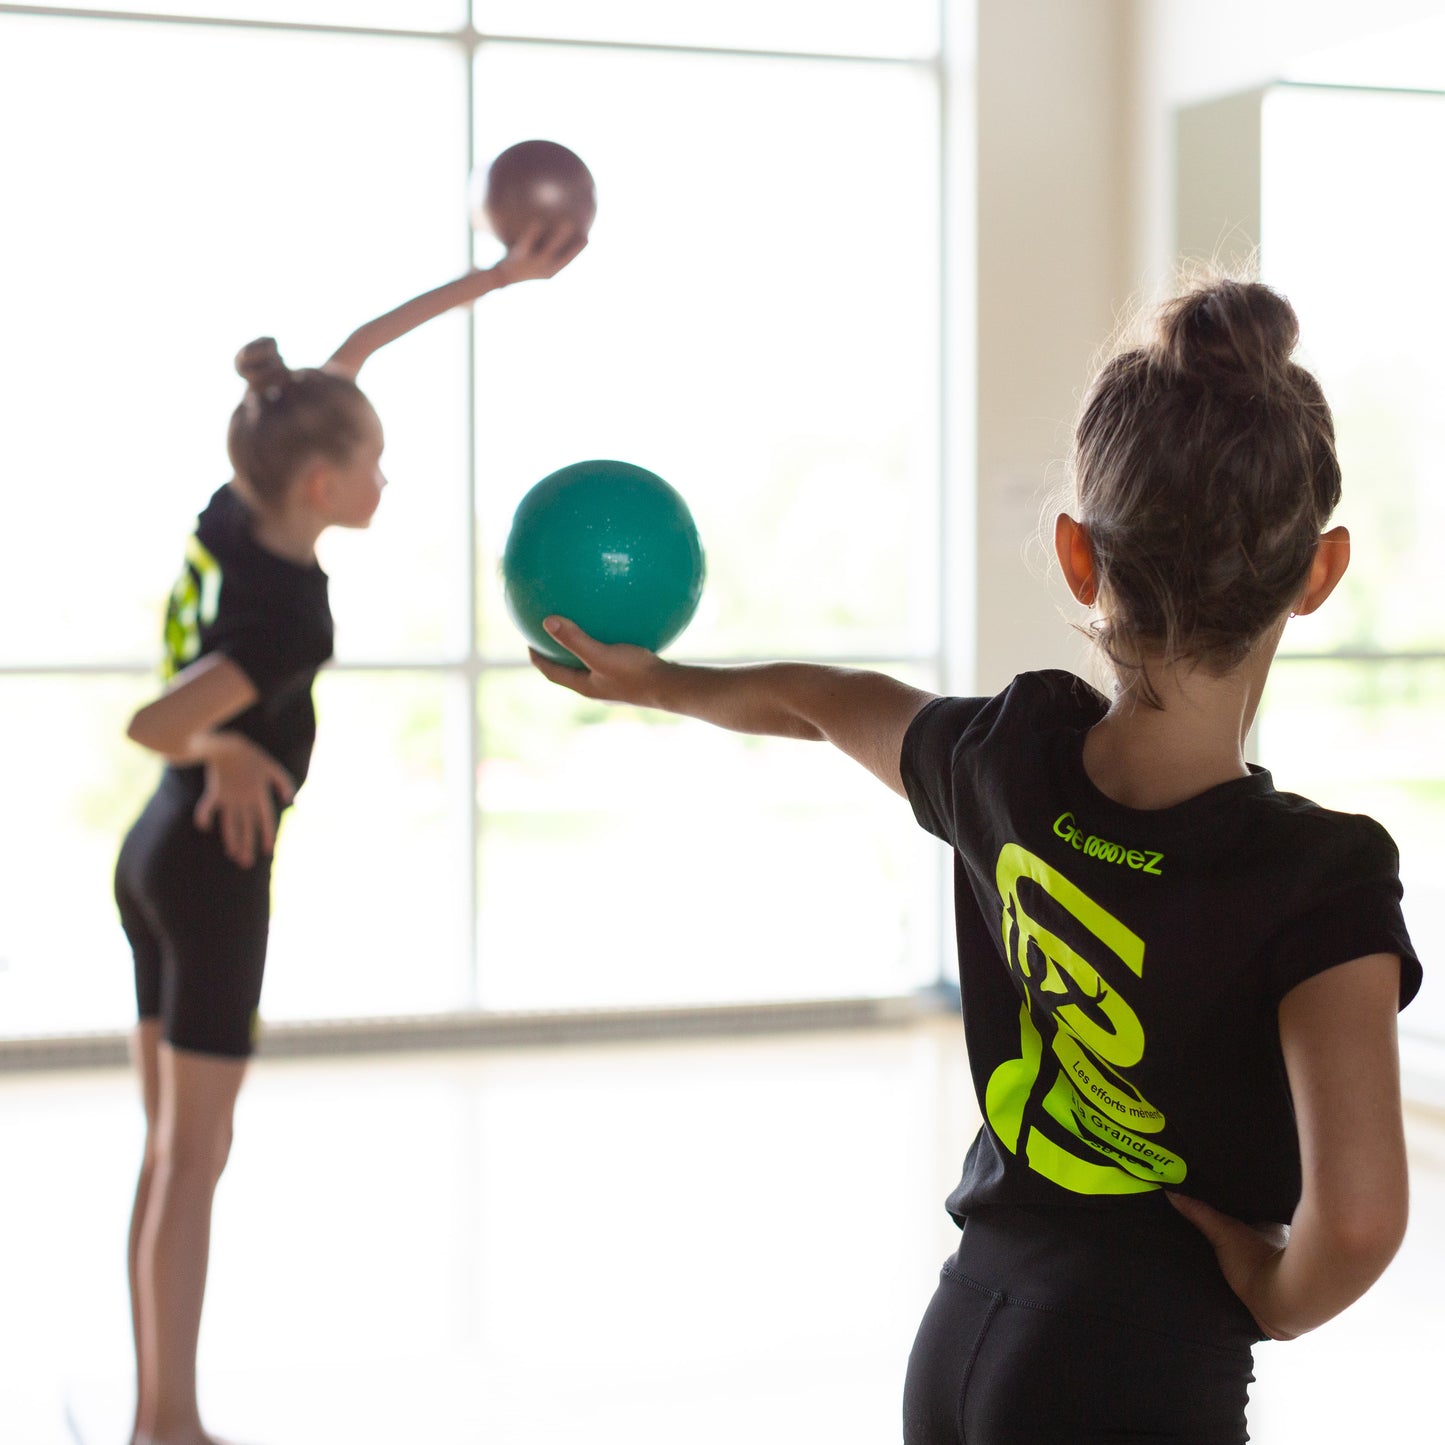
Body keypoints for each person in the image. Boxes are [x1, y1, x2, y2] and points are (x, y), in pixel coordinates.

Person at [530, 276, 1422, 1443]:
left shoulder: (1008, 757)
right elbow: (1355, 1223)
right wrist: (1273, 1293)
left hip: (962, 1334)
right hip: (1136, 1376)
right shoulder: (1319, 880)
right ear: (1319, 569)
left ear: (1076, 556)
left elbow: (824, 701)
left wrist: (659, 683)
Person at [113, 222, 585, 1445]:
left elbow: (354, 354)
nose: (387, 475)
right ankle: (172, 1424)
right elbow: (155, 721)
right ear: (321, 487)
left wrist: (497, 278)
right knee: (193, 1160)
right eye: (374, 463)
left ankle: (154, 1410)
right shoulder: (287, 617)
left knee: (167, 1155)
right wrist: (225, 746)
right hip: (214, 866)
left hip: (152, 854)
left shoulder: (240, 501)